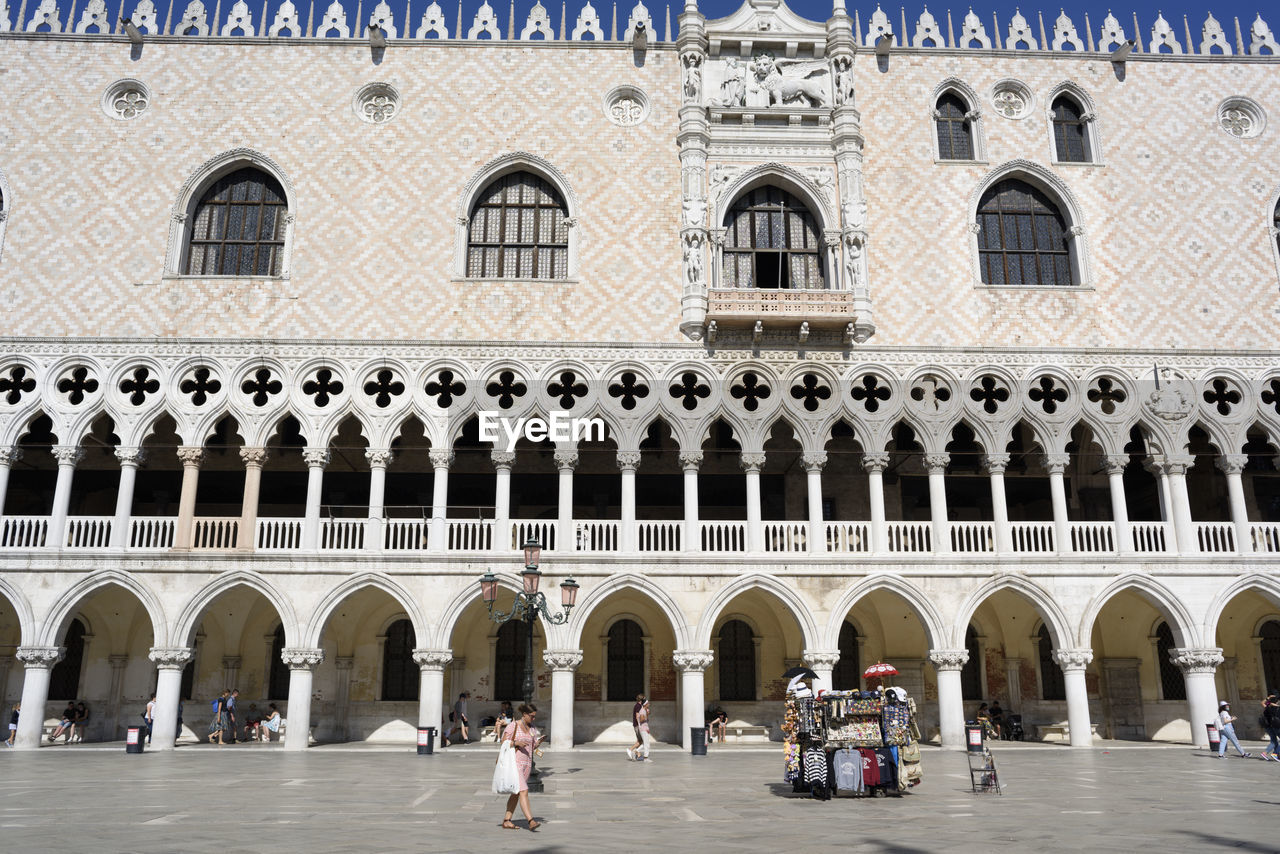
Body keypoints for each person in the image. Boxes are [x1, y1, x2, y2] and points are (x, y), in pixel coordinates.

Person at [499, 703, 547, 831]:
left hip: (527, 765)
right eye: (532, 716)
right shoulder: (513, 726)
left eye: (534, 716)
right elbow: (503, 742)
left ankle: (507, 820)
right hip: (515, 765)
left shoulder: (532, 728)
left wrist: (538, 743)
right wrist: (516, 743)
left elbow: (531, 747)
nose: (533, 719)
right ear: (524, 714)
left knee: (516, 793)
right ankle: (531, 821)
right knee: (524, 791)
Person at [1261, 692, 1280, 761]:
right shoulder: (1277, 708)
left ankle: (1276, 755)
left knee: (1274, 741)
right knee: (1274, 741)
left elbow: (1262, 703)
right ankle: (1273, 754)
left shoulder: (1268, 707)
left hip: (1270, 726)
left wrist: (1268, 698)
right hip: (1273, 726)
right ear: (1277, 701)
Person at [627, 693, 645, 761]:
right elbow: (637, 716)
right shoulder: (638, 706)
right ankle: (631, 750)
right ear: (642, 699)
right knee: (643, 741)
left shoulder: (638, 705)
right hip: (638, 726)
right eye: (644, 698)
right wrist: (640, 725)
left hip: (637, 725)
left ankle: (637, 754)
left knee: (640, 741)